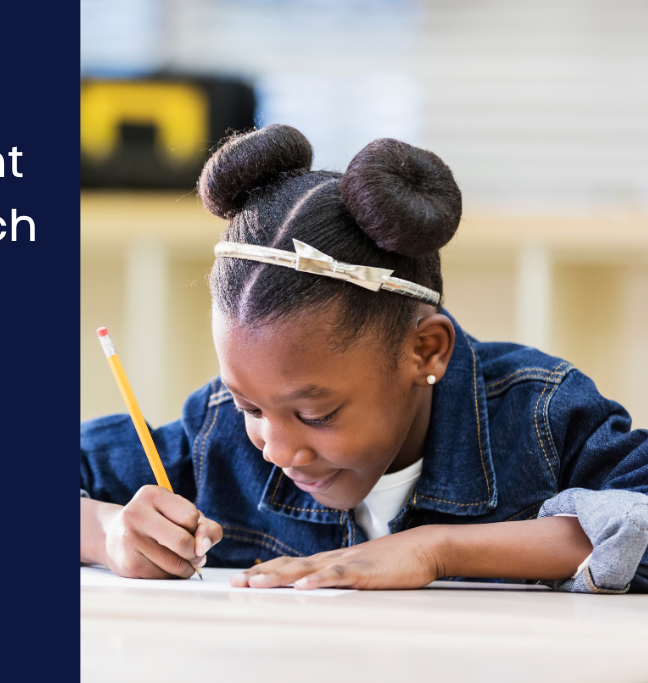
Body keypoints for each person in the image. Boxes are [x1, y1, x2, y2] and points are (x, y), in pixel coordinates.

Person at [79, 124, 648, 593]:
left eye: (315, 415)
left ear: (425, 350)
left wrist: (434, 550)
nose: (276, 450)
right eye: (249, 406)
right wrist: (107, 532)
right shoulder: (217, 438)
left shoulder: (539, 418)